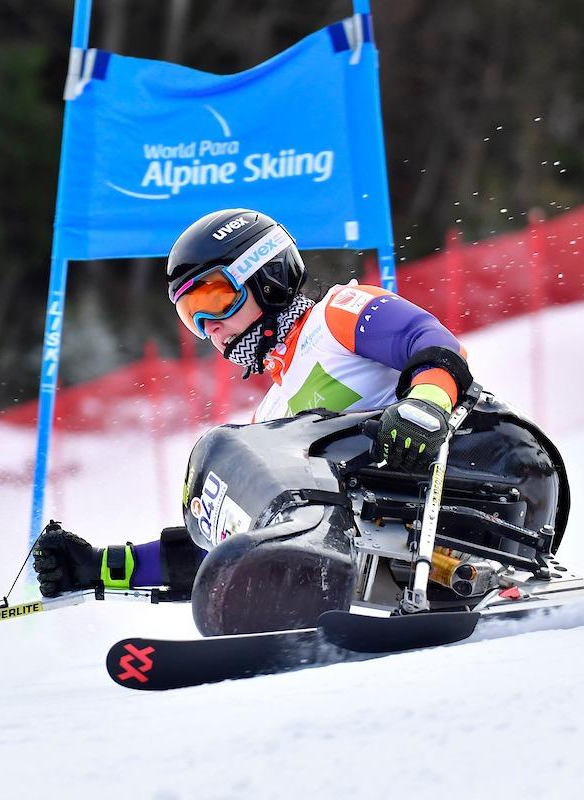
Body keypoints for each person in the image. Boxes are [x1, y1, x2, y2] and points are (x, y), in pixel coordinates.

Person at [32, 208, 477, 608]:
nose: (211, 328)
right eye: (192, 316)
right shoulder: (271, 416)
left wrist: (425, 406)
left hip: (456, 482)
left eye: (213, 300)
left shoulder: (335, 315)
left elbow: (428, 340)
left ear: (266, 275)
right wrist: (98, 566)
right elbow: (228, 549)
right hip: (382, 536)